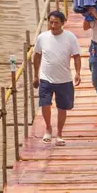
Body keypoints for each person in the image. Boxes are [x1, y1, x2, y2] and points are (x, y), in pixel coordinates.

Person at [33, 11, 81, 146]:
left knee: (62, 107)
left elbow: (76, 55)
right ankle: (48, 127)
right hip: (45, 78)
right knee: (45, 104)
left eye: (56, 23)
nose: (53, 25)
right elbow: (36, 55)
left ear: (63, 23)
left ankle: (59, 133)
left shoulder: (70, 37)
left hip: (64, 79)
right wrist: (36, 75)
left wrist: (77, 73)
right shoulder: (42, 37)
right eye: (51, 22)